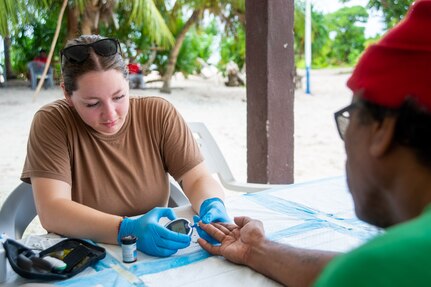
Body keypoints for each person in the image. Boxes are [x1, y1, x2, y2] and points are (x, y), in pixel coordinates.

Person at [197, 0, 431, 286]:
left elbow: (366, 272)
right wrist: (256, 250)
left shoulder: (383, 265)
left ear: (382, 130)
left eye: (349, 118)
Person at [21, 35, 230, 257]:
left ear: (128, 81)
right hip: (84, 255)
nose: (110, 114)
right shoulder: (52, 122)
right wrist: (126, 229)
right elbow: (52, 210)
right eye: (92, 103)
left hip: (154, 252)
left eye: (119, 97)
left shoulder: (158, 114)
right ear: (67, 94)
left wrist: (212, 205)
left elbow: (196, 178)